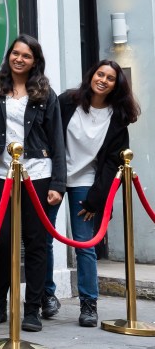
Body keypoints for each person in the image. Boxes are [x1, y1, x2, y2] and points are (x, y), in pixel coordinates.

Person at [0, 35, 65, 333]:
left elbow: (57, 141)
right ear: (9, 55)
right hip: (0, 175)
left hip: (37, 175)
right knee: (1, 243)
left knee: (36, 243)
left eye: (26, 55)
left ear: (34, 60)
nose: (19, 59)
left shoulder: (46, 94)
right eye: (15, 53)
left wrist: (58, 183)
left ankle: (33, 309)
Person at [42, 60, 139, 327]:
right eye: (100, 74)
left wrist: (97, 199)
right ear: (92, 75)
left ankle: (88, 304)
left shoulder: (117, 118)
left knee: (85, 244)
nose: (103, 80)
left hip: (87, 181)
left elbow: (113, 162)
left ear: (115, 85)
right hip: (55, 177)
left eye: (110, 78)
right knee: (44, 238)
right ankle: (47, 295)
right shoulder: (67, 101)